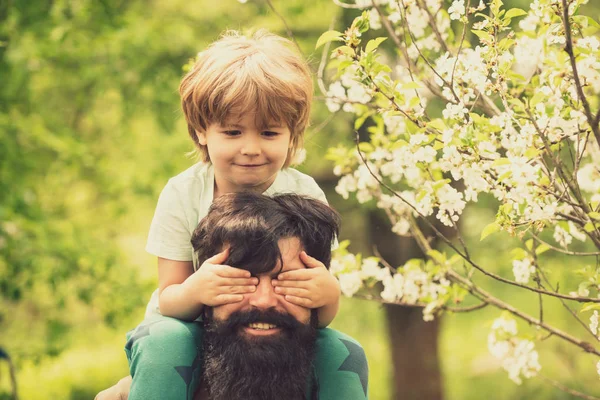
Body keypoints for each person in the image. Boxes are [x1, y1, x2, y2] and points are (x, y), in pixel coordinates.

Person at [106, 29, 349, 399]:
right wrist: (198, 290)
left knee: (342, 354)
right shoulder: (182, 194)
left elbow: (313, 312)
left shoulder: (305, 195)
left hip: (274, 324)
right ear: (202, 130)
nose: (250, 148)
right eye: (233, 132)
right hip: (188, 323)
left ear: (292, 134)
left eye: (269, 133)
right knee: (165, 345)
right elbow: (169, 297)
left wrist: (328, 295)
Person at [96, 193, 369, 400]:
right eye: (239, 280)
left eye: (287, 282)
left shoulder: (338, 370)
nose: (263, 300)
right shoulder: (145, 386)